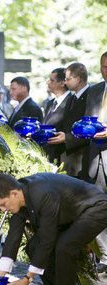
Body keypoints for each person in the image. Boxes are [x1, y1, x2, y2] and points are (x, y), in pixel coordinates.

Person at [0, 173, 107, 285]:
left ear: (14, 193)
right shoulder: (18, 196)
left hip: (95, 208)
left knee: (65, 247)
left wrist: (27, 278)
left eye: (3, 204)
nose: (3, 210)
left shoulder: (42, 194)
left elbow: (47, 240)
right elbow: (13, 236)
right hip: (70, 214)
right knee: (33, 247)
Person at [84, 51, 107, 273]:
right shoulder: (94, 91)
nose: (105, 71)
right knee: (98, 208)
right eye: (102, 66)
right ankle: (105, 257)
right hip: (95, 159)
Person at [48, 63, 90, 179]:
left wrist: (67, 138)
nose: (65, 82)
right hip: (67, 159)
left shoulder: (90, 96)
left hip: (81, 160)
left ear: (78, 79)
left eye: (68, 79)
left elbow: (89, 129)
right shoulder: (72, 98)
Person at [42, 68, 71, 165]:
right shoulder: (50, 103)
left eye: (52, 80)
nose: (48, 83)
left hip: (62, 158)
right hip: (48, 156)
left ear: (62, 83)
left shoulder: (71, 102)